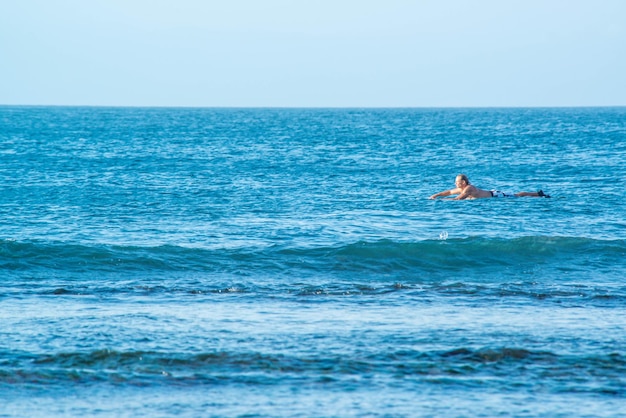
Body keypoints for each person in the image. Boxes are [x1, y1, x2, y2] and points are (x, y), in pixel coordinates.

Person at [429, 174, 550, 200]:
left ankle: (538, 194)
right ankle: (537, 194)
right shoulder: (461, 188)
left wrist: (442, 201)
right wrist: (436, 195)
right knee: (517, 194)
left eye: (458, 182)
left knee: (518, 195)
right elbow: (449, 192)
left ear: (464, 183)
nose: (455, 184)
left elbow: (458, 199)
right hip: (491, 193)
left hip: (496, 195)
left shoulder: (469, 189)